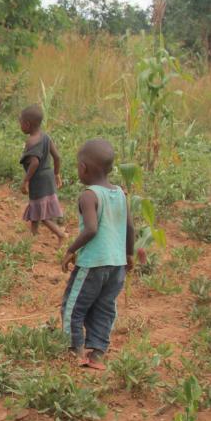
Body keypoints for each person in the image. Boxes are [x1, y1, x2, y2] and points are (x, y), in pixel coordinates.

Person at [60, 139, 134, 370]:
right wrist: (129, 255)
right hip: (117, 265)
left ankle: (74, 350)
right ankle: (97, 353)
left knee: (73, 307)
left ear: (83, 168)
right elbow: (130, 227)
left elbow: (91, 229)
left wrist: (71, 249)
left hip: (93, 264)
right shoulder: (120, 194)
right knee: (104, 307)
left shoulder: (89, 195)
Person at [19, 104, 66, 240]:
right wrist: (56, 174)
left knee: (42, 215)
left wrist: (26, 180)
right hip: (48, 177)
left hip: (38, 180)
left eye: (21, 123)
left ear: (27, 124)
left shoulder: (31, 141)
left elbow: (34, 162)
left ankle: (60, 234)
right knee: (36, 205)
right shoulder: (46, 137)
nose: (20, 125)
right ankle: (33, 235)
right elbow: (57, 157)